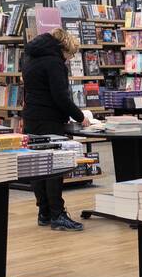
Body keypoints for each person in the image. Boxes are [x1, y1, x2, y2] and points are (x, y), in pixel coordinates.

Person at [21, 27, 94, 231]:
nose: (69, 59)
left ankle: (43, 212)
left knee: (38, 166)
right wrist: (81, 116)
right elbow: (60, 97)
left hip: (31, 118)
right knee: (54, 167)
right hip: (49, 120)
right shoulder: (54, 63)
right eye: (70, 55)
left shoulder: (30, 57)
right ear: (64, 48)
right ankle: (57, 214)